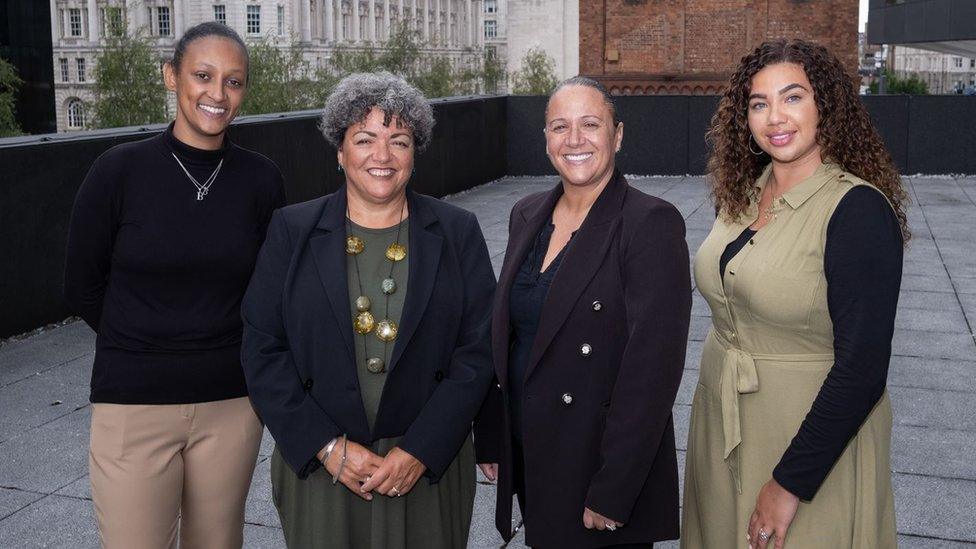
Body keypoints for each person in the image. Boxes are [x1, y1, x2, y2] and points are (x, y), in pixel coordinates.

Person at [241, 72, 495, 548]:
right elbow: (262, 348)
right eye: (365, 139)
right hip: (324, 468)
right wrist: (328, 447)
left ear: (415, 153)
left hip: (425, 469)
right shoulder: (291, 231)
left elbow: (478, 350)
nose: (382, 156)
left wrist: (422, 448)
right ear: (339, 151)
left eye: (398, 140)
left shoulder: (458, 232)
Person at [63, 22, 285, 549]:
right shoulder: (118, 171)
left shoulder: (261, 179)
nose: (217, 93)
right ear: (171, 77)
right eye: (203, 76)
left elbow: (271, 287)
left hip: (231, 405)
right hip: (134, 403)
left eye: (233, 82)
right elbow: (81, 285)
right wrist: (144, 340)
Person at [681, 39, 908, 549]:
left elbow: (863, 370)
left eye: (793, 97)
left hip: (808, 447)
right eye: (759, 103)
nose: (774, 117)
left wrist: (788, 485)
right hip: (723, 432)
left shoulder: (857, 212)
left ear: (825, 105)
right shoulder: (742, 194)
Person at [474, 76, 692, 548]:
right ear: (546, 140)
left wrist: (615, 488)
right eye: (560, 127)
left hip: (598, 467)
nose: (574, 140)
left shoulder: (649, 223)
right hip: (536, 453)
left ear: (617, 135)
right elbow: (509, 338)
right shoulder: (527, 213)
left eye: (590, 125)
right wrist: (495, 433)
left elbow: (652, 371)